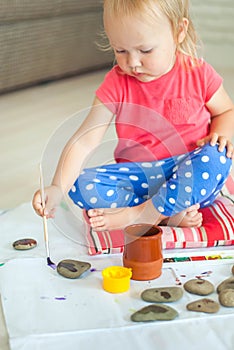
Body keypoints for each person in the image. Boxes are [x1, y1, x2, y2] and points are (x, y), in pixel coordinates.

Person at [33, 0, 234, 233]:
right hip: (138, 176)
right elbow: (85, 140)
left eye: (145, 50)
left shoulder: (198, 73)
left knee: (217, 157)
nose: (133, 63)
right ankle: (164, 212)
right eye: (120, 51)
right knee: (81, 186)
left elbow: (226, 111)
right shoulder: (116, 83)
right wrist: (57, 187)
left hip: (188, 170)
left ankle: (143, 213)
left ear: (179, 31)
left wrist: (221, 133)